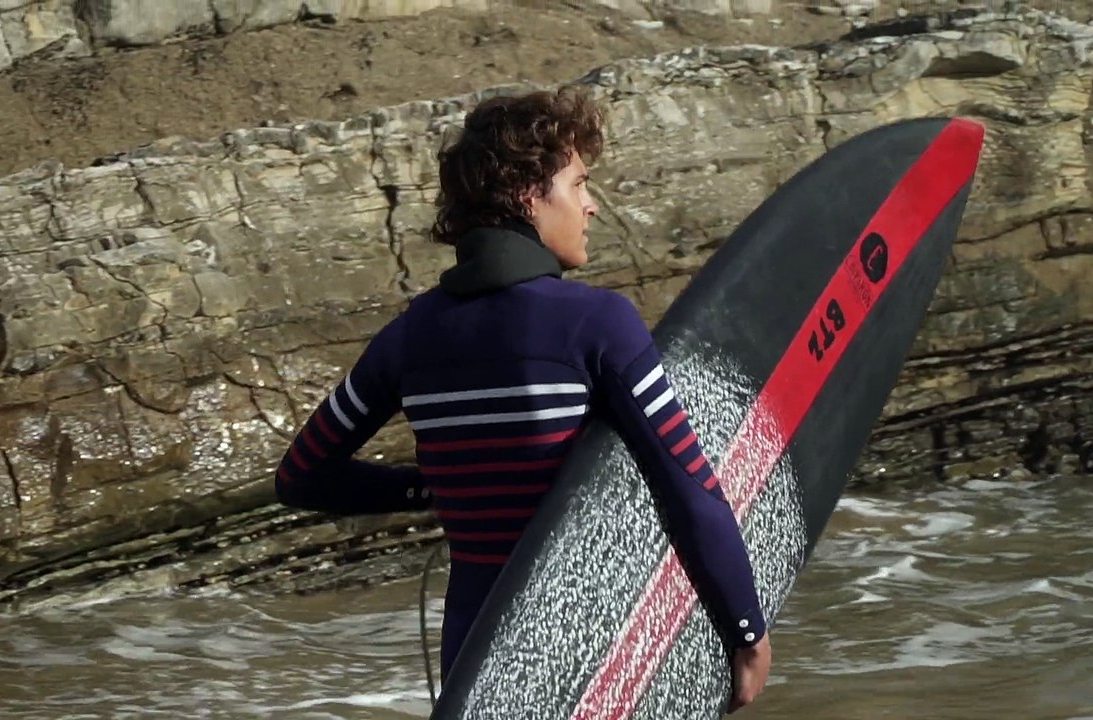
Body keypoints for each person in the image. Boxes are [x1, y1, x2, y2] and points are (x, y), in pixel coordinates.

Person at [273, 86, 773, 712]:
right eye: (578, 184)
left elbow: (301, 476)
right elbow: (689, 489)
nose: (590, 205)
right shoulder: (596, 324)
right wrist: (746, 632)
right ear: (526, 195)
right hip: (586, 656)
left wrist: (437, 488)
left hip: (475, 672)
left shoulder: (407, 338)